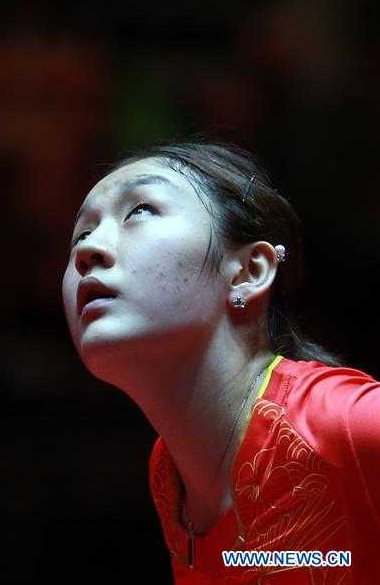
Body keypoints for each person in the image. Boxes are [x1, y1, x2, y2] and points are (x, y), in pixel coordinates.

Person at [61, 138, 380, 583]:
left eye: (140, 211)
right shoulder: (169, 474)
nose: (86, 252)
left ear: (249, 272)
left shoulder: (349, 424)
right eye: (82, 233)